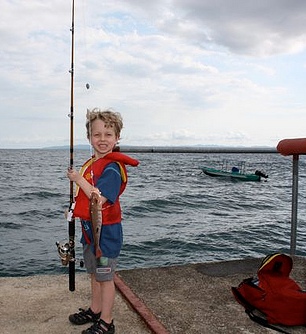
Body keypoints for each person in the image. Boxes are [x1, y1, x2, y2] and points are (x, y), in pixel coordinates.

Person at [67, 108, 139, 334]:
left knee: (106, 278)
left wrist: (77, 179)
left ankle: (107, 322)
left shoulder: (112, 169)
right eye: (97, 135)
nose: (102, 140)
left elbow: (99, 197)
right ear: (89, 138)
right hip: (89, 231)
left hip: (105, 235)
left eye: (108, 135)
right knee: (94, 274)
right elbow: (84, 198)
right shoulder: (91, 163)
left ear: (117, 138)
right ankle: (95, 309)